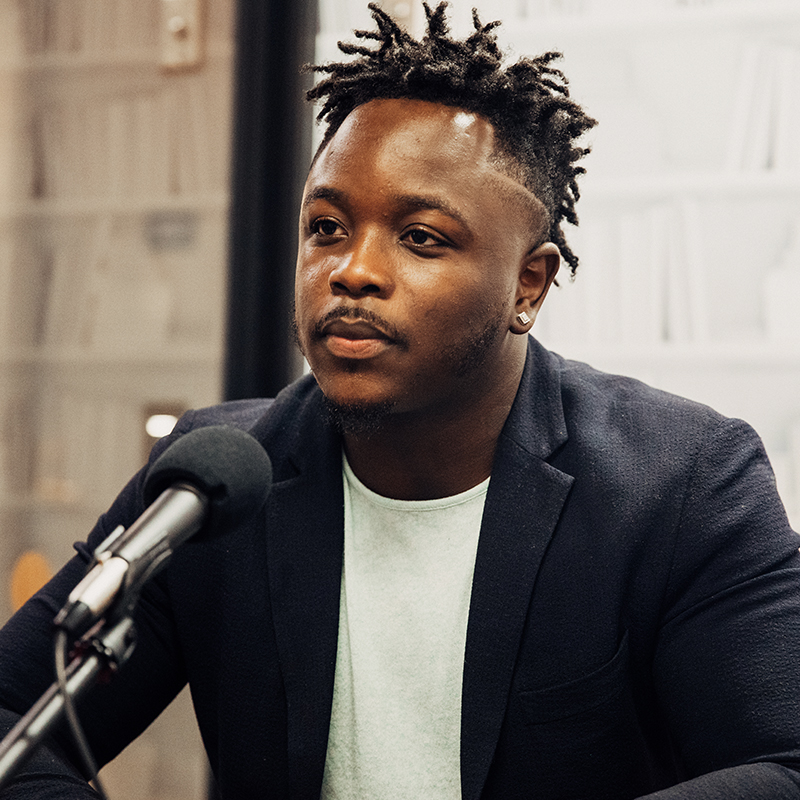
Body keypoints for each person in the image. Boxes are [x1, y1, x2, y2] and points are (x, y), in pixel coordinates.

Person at [2, 2, 800, 798]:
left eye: (421, 237)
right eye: (326, 227)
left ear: (529, 285)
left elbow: (783, 764)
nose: (352, 271)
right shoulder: (212, 488)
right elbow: (13, 716)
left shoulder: (682, 482)